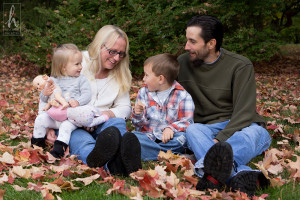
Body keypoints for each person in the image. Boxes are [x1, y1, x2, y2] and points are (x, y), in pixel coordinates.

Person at [177, 15, 272, 197]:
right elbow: (163, 86)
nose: (186, 46)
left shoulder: (240, 65)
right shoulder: (182, 63)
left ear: (211, 43)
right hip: (206, 128)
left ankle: (212, 174)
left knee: (250, 135)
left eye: (192, 41)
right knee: (193, 130)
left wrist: (221, 139)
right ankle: (239, 175)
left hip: (242, 126)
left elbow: (244, 113)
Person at [46, 25, 142, 176]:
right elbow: (52, 92)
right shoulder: (77, 61)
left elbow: (125, 108)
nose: (116, 58)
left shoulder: (121, 72)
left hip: (102, 122)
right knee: (80, 140)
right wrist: (48, 126)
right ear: (99, 45)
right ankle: (114, 165)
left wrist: (102, 114)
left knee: (117, 124)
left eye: (121, 54)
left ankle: (122, 155)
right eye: (112, 51)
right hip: (73, 123)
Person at [32, 44, 92, 158]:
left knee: (66, 128)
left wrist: (78, 101)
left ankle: (58, 151)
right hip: (54, 116)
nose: (80, 67)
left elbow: (87, 95)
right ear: (63, 67)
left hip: (70, 117)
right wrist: (45, 93)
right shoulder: (53, 80)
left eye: (80, 63)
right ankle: (37, 144)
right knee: (40, 120)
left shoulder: (81, 79)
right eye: (77, 64)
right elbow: (44, 99)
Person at [132, 53, 194, 161]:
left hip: (171, 139)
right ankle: (173, 156)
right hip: (148, 137)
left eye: (147, 75)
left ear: (161, 79)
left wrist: (171, 128)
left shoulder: (182, 95)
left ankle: (146, 152)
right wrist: (138, 114)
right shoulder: (143, 93)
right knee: (133, 137)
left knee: (182, 139)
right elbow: (138, 125)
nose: (143, 79)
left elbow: (187, 122)